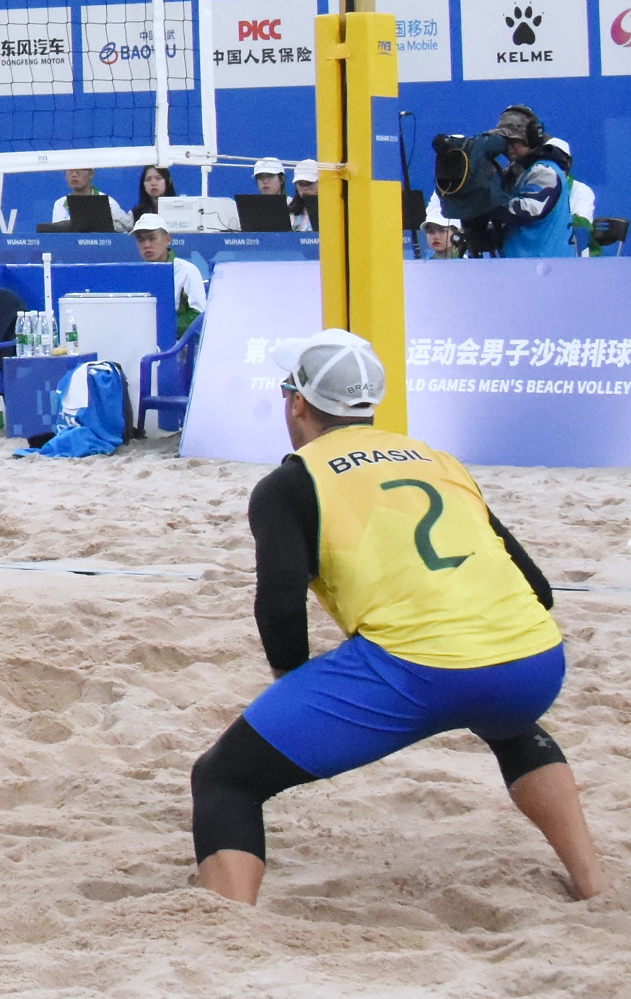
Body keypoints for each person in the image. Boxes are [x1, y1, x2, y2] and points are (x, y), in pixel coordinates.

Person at [190, 329, 603, 907]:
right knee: (510, 723)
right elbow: (535, 586)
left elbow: (280, 600)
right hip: (533, 662)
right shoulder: (438, 460)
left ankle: (225, 927)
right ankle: (591, 883)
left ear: (298, 402)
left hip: (418, 671)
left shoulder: (289, 483)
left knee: (225, 778)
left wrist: (291, 678)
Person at [493, 105, 578, 257]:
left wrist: (486, 203)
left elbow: (526, 210)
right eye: (505, 142)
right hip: (527, 264)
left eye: (515, 141)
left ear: (531, 138)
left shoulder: (545, 170)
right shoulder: (518, 169)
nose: (509, 148)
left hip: (548, 266)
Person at [131, 214, 206, 335]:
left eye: (152, 238)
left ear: (168, 239)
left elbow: (198, 315)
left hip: (178, 344)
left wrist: (160, 326)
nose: (146, 245)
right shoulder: (135, 274)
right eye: (140, 240)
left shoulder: (187, 271)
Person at [50, 166, 133, 231]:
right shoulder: (59, 204)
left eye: (79, 169)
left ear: (91, 173)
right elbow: (57, 237)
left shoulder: (108, 202)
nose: (74, 174)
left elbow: (126, 229)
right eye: (70, 170)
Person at [290, 159, 320, 231]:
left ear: (319, 183)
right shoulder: (290, 212)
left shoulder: (331, 210)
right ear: (296, 185)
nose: (305, 188)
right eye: (300, 183)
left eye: (309, 183)